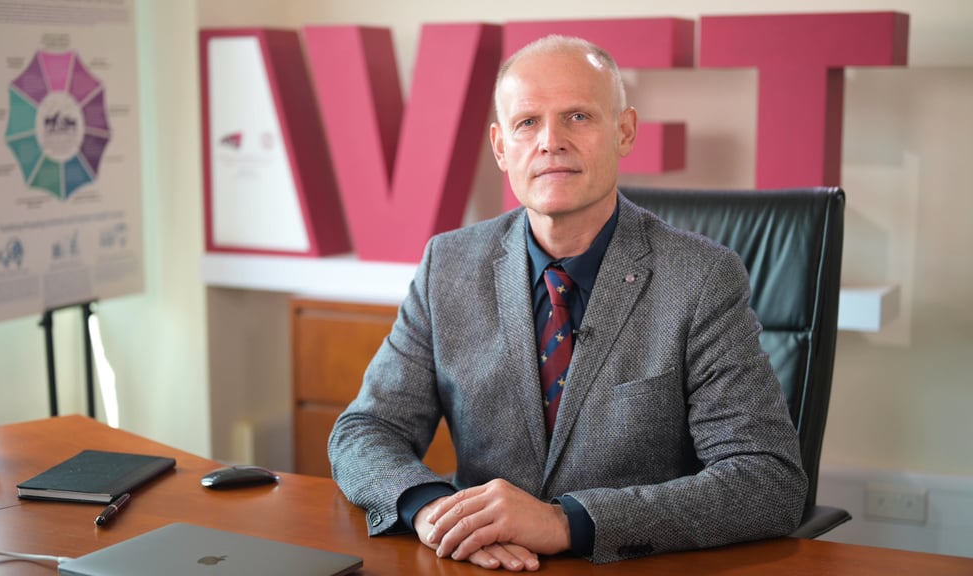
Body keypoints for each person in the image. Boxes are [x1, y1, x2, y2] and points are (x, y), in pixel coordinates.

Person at [328, 35, 806, 571]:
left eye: (578, 116)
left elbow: (768, 479)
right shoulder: (448, 265)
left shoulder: (699, 278)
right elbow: (366, 430)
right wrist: (433, 511)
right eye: (527, 122)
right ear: (501, 146)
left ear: (624, 132)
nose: (550, 141)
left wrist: (566, 523)